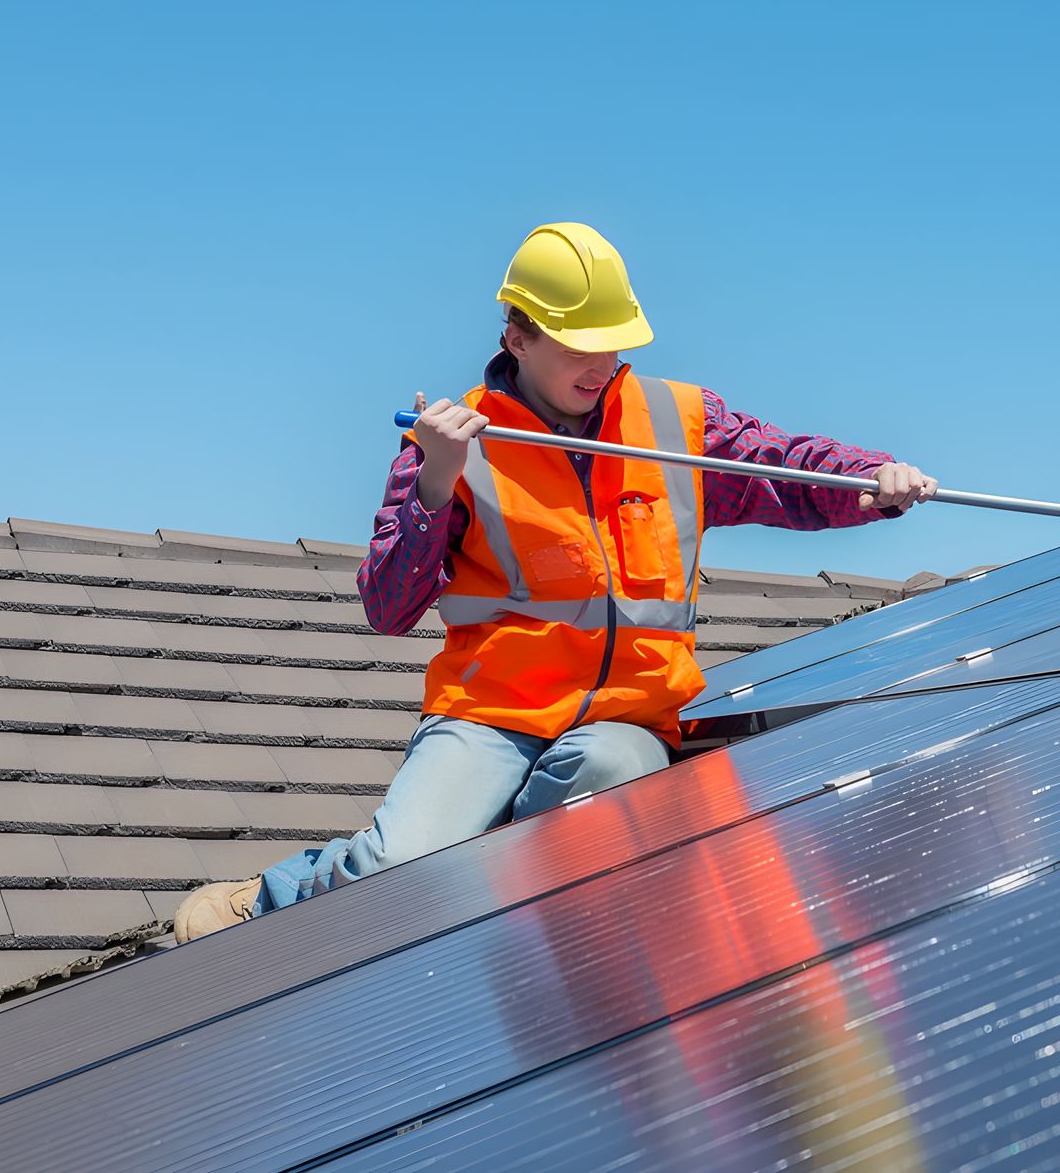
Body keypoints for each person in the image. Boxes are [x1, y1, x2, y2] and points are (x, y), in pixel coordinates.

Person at [173, 222, 936, 941]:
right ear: (518, 337)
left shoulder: (677, 421)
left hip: (628, 719)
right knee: (400, 872)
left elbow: (785, 470)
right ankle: (272, 898)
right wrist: (436, 483)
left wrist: (871, 479)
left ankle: (488, 854)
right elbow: (387, 604)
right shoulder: (454, 438)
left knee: (618, 786)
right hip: (491, 712)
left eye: (615, 344)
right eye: (579, 346)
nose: (601, 364)